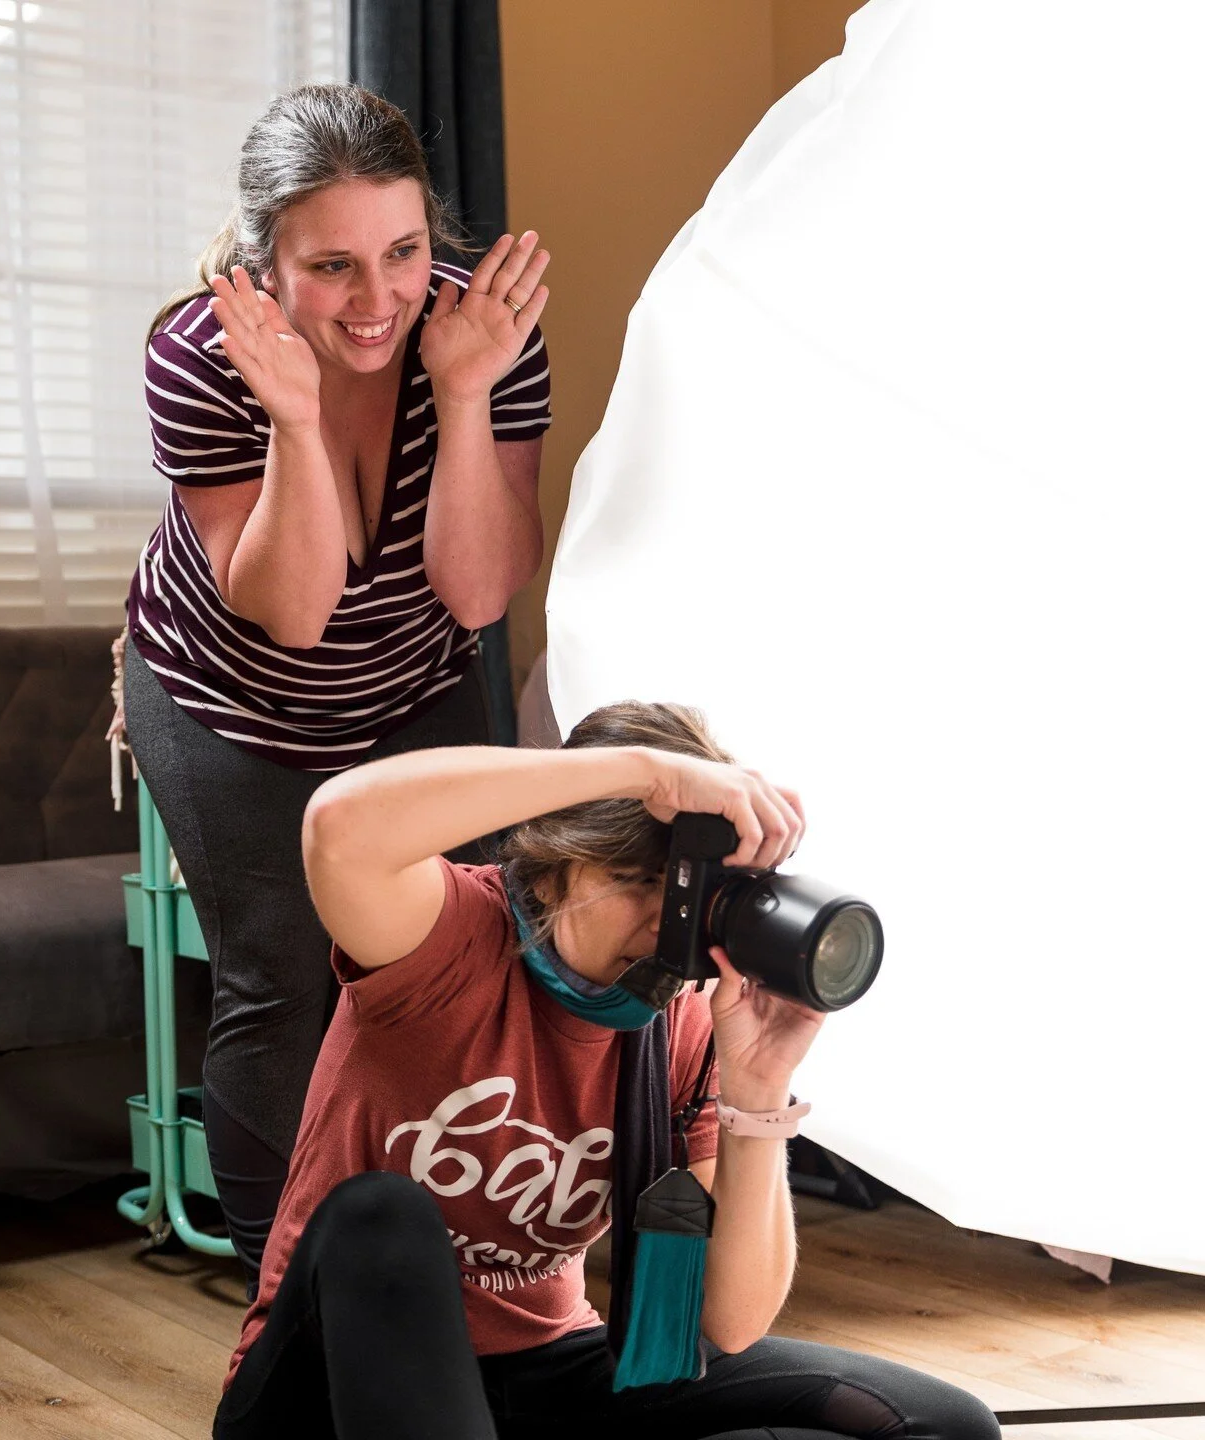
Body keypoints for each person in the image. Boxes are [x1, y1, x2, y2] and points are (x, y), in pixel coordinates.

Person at [211, 702, 1001, 1440]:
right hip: (329, 1387)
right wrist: (644, 774)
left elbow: (730, 1323)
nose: (664, 921)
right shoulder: (449, 938)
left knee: (939, 1422)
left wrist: (757, 1089)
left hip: (550, 1372)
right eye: (636, 880)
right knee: (379, 1214)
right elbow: (339, 827)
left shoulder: (687, 1021)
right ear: (551, 868)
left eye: (687, 890)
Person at [121, 83, 552, 1283]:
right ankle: (283, 1300)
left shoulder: (483, 335)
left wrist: (463, 392)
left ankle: (459, 1270)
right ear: (263, 267)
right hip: (231, 698)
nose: (377, 301)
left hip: (411, 682)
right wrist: (296, 422)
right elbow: (293, 614)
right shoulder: (200, 356)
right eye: (332, 267)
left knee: (467, 964)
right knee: (281, 977)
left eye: (404, 252)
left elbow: (479, 594)